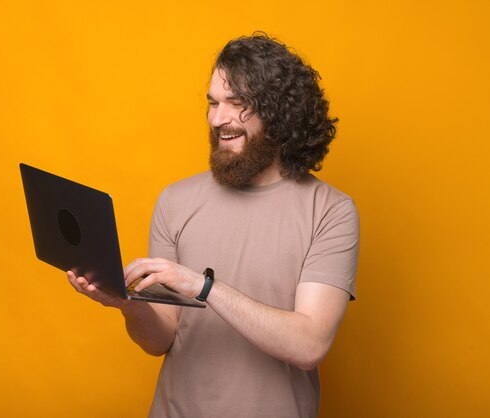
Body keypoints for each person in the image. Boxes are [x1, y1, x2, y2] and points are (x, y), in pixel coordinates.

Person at [68, 33, 359, 418]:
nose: (217, 119)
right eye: (212, 103)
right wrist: (129, 305)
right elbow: (161, 339)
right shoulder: (175, 201)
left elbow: (309, 346)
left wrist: (203, 287)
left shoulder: (331, 211)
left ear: (278, 112)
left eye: (236, 105)